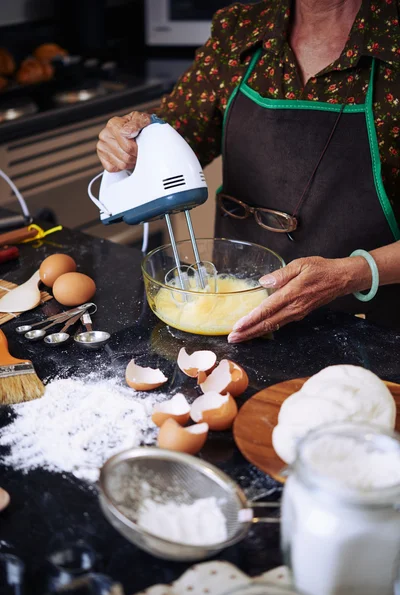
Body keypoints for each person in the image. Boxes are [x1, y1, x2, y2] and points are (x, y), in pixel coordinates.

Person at [97, 0, 400, 342]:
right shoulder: (240, 31)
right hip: (239, 315)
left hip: (367, 330)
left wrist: (353, 273)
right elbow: (178, 139)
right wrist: (132, 144)